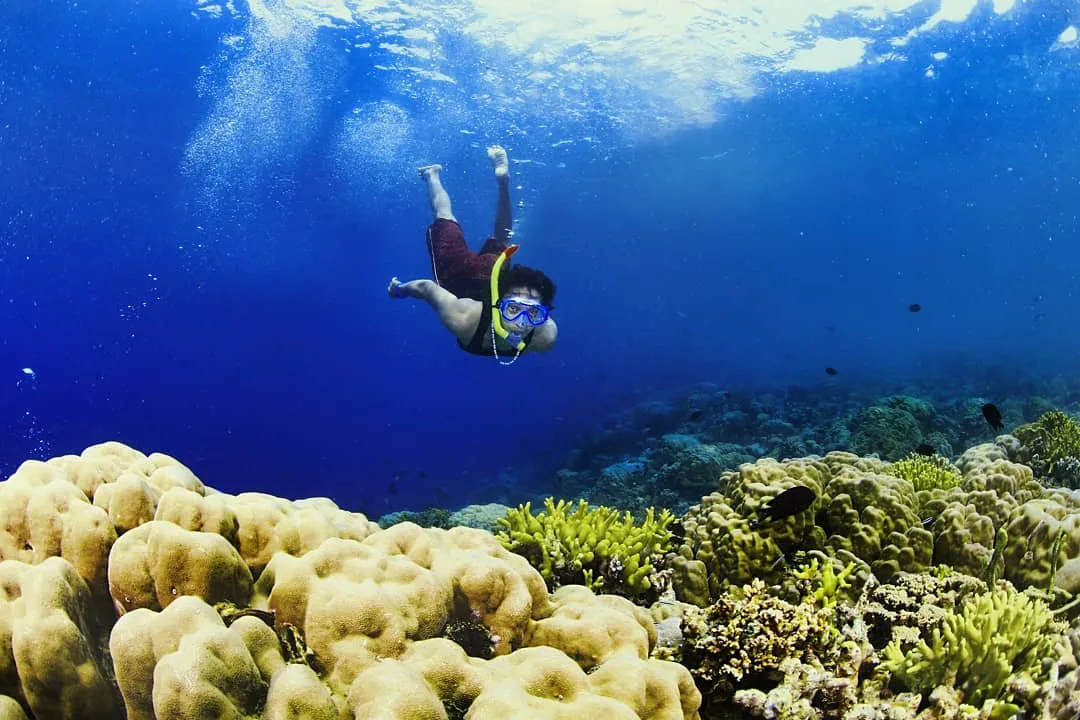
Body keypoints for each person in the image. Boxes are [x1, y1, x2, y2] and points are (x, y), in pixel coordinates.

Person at [388, 145, 558, 363]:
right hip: (458, 273)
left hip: (490, 271)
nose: (521, 323)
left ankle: (503, 181)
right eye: (513, 309)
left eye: (534, 313)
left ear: (543, 316)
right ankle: (432, 175)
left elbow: (427, 287)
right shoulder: (464, 319)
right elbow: (426, 287)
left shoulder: (545, 337)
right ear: (498, 304)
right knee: (445, 215)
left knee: (501, 237)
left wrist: (399, 290)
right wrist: (398, 291)